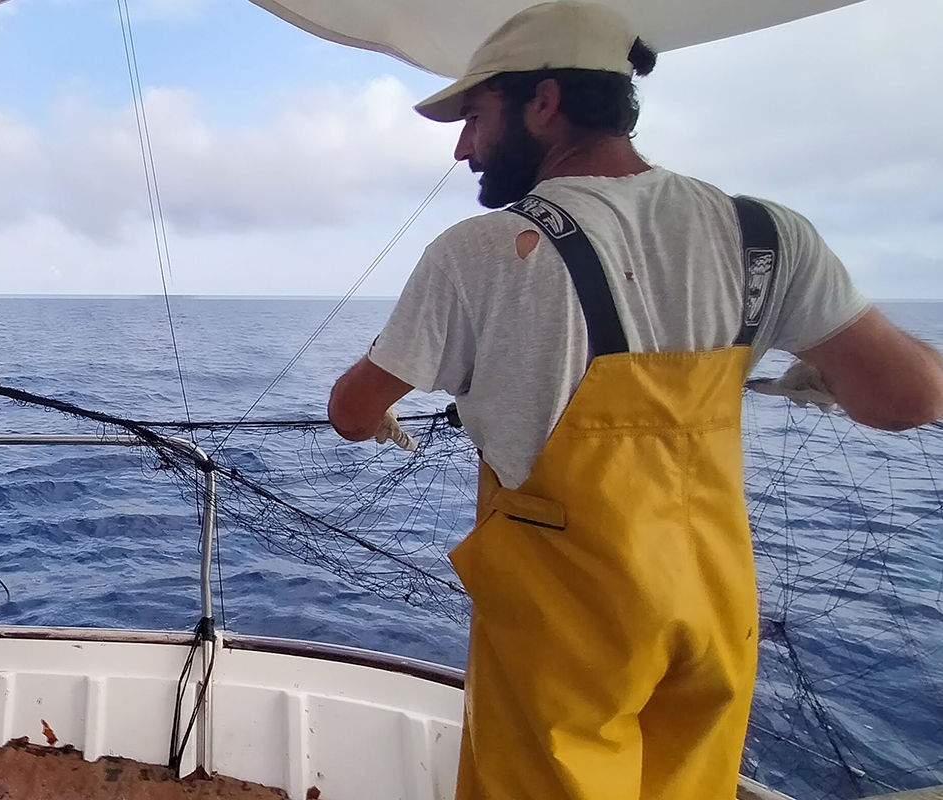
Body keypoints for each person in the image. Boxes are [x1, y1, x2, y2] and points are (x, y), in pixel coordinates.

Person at [326, 3, 943, 799]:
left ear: (543, 102)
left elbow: (350, 411)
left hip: (568, 623)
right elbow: (910, 397)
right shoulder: (769, 235)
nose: (464, 146)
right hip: (712, 605)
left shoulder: (479, 251)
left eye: (476, 116)